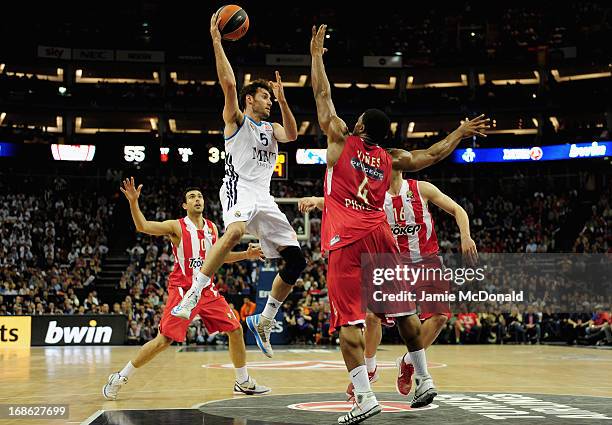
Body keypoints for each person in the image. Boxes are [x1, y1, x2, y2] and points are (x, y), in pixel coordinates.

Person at [309, 24, 489, 424]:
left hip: (346, 238)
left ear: (357, 128)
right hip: (381, 234)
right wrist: (460, 130)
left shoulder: (340, 139)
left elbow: (323, 96)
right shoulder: (392, 159)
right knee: (406, 311)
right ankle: (423, 378)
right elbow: (433, 154)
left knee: (349, 324)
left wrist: (317, 56)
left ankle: (365, 397)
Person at [171, 12, 307, 361]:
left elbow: (292, 134)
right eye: (265, 97)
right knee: (233, 233)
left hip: (264, 196)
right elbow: (230, 85)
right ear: (251, 100)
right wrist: (217, 40)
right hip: (238, 188)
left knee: (296, 261)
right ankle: (195, 292)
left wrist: (284, 98)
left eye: (270, 99)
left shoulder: (271, 126)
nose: (269, 101)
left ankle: (264, 319)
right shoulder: (236, 120)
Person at [299, 167, 478, 400]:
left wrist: (466, 236)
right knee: (373, 317)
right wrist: (315, 200)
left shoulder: (421, 189)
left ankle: (407, 362)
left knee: (440, 317)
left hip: (426, 260)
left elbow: (457, 209)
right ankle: (370, 368)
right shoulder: (373, 193)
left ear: (399, 166)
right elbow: (343, 203)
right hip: (391, 262)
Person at [102, 178, 270, 401]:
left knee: (235, 329)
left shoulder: (212, 228)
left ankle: (242, 381)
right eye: (192, 197)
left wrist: (245, 255)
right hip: (183, 290)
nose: (197, 199)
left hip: (207, 290)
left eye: (199, 196)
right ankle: (120, 377)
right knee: (164, 340)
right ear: (184, 205)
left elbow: (219, 257)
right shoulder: (175, 226)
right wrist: (133, 202)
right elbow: (142, 226)